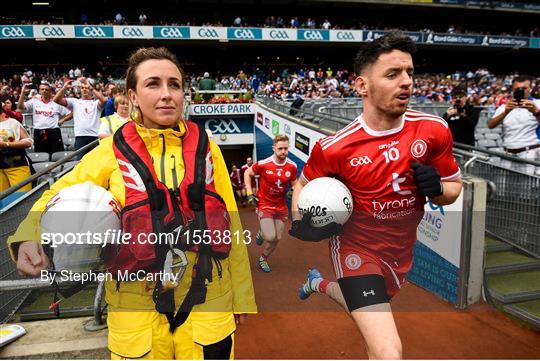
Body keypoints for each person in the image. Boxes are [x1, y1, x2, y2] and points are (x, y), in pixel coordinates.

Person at [8, 47, 256, 360]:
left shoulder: (207, 149)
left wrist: (243, 297)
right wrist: (27, 235)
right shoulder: (109, 151)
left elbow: (230, 226)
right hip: (136, 311)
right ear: (133, 96)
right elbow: (54, 195)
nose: (166, 94)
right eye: (153, 84)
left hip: (208, 302)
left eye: (174, 85)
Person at [289, 31, 462, 359]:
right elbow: (302, 185)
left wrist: (438, 190)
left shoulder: (434, 130)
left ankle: (317, 284)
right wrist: (300, 221)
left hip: (399, 255)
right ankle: (324, 283)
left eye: (410, 72)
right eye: (393, 74)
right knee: (388, 350)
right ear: (362, 86)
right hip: (356, 249)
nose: (407, 82)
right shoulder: (334, 147)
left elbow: (454, 189)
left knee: (375, 341)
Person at [243, 135, 297, 272]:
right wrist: (250, 193)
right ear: (274, 148)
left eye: (285, 148)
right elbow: (247, 173)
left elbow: (294, 183)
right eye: (280, 149)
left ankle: (263, 258)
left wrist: (294, 190)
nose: (283, 152)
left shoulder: (292, 166)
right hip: (265, 204)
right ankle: (262, 232)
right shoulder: (263, 164)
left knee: (277, 238)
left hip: (281, 206)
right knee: (270, 236)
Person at [488, 75, 540, 174]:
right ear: (512, 89)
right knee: (505, 187)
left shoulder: (538, 104)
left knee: (528, 187)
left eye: (524, 88)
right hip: (508, 153)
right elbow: (490, 125)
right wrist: (506, 112)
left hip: (530, 153)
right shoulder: (504, 107)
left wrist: (535, 111)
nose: (521, 91)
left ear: (530, 89)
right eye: (517, 89)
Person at [53, 78, 106, 158]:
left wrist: (91, 87)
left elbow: (104, 100)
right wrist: (64, 88)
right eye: (82, 88)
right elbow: (56, 100)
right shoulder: (75, 102)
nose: (84, 90)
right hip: (80, 137)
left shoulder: (95, 103)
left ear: (91, 90)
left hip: (94, 136)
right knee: (81, 163)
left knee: (95, 163)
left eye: (87, 88)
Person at [17, 82, 72, 155]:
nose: (44, 91)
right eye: (42, 89)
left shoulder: (56, 103)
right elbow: (20, 107)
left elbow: (70, 114)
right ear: (39, 91)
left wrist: (63, 120)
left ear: (50, 91)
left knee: (57, 154)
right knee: (40, 155)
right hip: (39, 132)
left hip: (54, 132)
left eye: (46, 89)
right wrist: (23, 93)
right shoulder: (34, 101)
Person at [0, 104, 33, 193]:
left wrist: (6, 144)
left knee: (21, 198)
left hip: (17, 165)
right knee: (2, 203)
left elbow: (28, 141)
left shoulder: (13, 123)